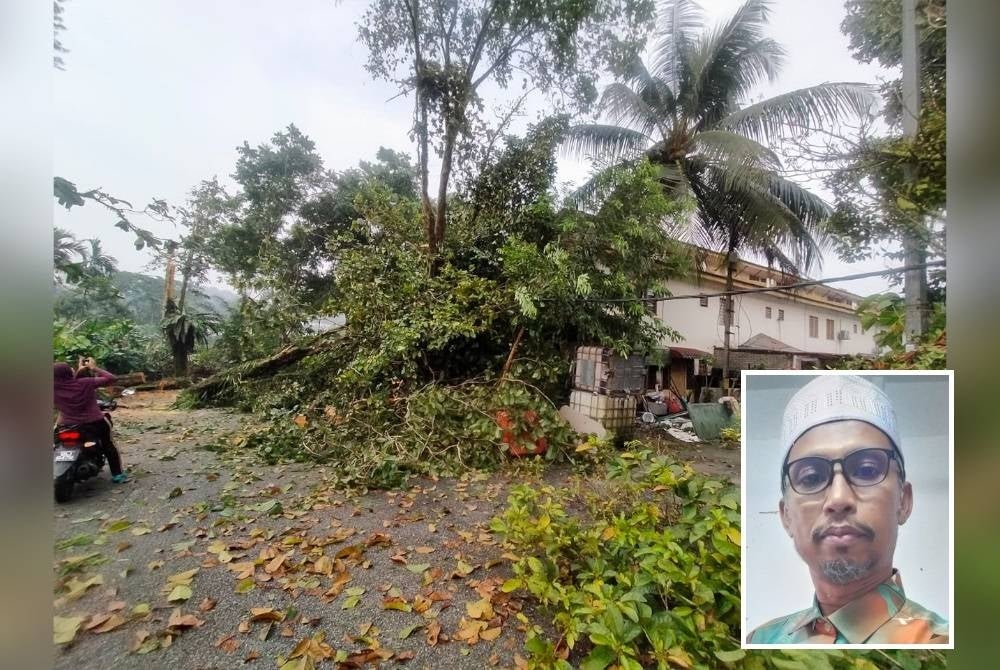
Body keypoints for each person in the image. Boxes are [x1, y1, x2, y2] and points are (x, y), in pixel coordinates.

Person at [747, 375, 948, 644]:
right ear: (786, 516)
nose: (839, 498)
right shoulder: (763, 640)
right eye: (811, 477)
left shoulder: (939, 644)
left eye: (866, 470)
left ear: (904, 501)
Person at [53, 357, 129, 483]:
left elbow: (68, 384)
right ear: (68, 373)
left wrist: (79, 371)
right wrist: (94, 368)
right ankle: (118, 474)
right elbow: (111, 379)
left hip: (66, 425)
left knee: (56, 443)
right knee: (108, 444)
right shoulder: (86, 383)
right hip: (94, 423)